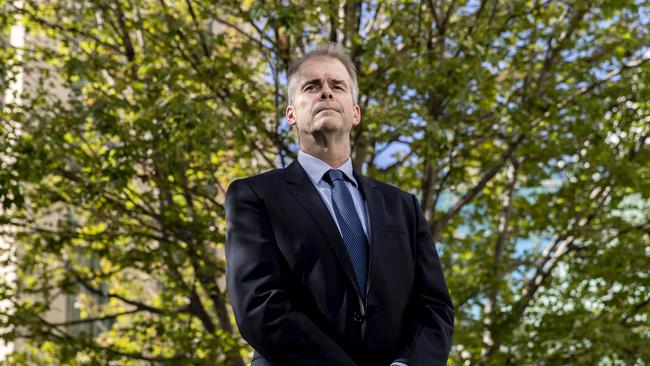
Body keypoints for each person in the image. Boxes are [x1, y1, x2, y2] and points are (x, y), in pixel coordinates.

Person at [225, 43, 454, 366]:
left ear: (356, 111)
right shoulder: (254, 196)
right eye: (312, 86)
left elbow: (435, 307)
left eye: (337, 86)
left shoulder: (403, 207)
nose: (326, 93)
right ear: (290, 113)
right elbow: (259, 304)